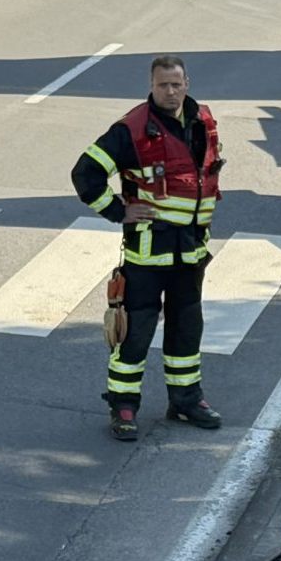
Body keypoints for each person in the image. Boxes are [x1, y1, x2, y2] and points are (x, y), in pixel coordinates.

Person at [72, 56, 224, 442]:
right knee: (135, 332)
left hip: (190, 254)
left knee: (186, 330)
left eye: (176, 84)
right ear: (151, 86)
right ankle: (123, 405)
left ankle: (186, 401)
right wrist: (118, 211)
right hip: (146, 255)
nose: (170, 92)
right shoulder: (132, 129)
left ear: (187, 83)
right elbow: (85, 172)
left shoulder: (202, 120)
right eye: (162, 85)